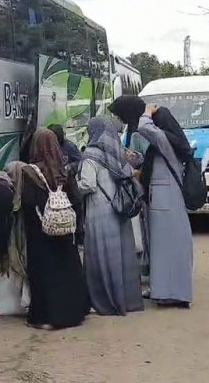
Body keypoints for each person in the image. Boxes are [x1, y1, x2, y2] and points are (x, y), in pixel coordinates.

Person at [15, 129, 89, 329]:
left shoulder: (29, 172)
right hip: (65, 229)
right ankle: (71, 314)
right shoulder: (65, 170)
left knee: (44, 273)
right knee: (66, 270)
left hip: (40, 232)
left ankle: (45, 317)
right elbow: (76, 198)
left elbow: (28, 203)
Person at [78, 117, 144, 316]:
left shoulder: (91, 154)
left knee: (100, 257)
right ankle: (126, 300)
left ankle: (105, 301)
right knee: (121, 257)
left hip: (99, 211)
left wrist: (73, 183)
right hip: (119, 209)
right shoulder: (118, 152)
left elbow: (87, 185)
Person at [138, 105, 193, 308]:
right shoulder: (175, 141)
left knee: (165, 248)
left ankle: (170, 292)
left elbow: (144, 127)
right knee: (172, 248)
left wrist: (147, 112)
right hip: (169, 200)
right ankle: (171, 291)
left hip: (165, 201)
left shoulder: (165, 140)